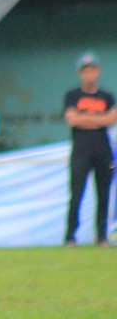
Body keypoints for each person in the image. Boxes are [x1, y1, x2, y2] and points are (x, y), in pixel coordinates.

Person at [63, 52, 116, 247]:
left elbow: (112, 119)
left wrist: (86, 118)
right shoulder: (72, 95)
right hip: (80, 151)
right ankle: (70, 236)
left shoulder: (107, 96)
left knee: (103, 194)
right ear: (80, 73)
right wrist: (98, 120)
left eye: (93, 70)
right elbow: (72, 120)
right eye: (86, 71)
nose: (90, 74)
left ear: (98, 71)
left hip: (102, 151)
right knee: (76, 194)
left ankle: (102, 236)